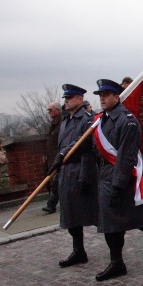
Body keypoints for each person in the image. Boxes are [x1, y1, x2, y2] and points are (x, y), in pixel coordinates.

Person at [92, 79, 143, 281]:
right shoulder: (101, 119)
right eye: (100, 95)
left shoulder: (126, 121)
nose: (102, 98)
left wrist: (118, 186)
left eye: (106, 95)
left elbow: (127, 156)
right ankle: (117, 262)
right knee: (111, 223)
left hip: (122, 177)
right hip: (105, 175)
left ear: (116, 97)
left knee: (141, 219)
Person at [45, 84, 99, 267]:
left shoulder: (87, 120)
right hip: (67, 172)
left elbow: (86, 148)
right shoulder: (66, 120)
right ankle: (78, 251)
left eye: (69, 98)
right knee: (71, 216)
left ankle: (117, 253)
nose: (66, 101)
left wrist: (85, 176)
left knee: (101, 215)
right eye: (65, 98)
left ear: (79, 99)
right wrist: (58, 175)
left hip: (81, 170)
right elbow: (62, 149)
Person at [42, 101, 62, 214]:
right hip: (52, 158)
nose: (49, 112)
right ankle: (51, 204)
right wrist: (45, 154)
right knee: (55, 182)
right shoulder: (53, 123)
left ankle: (51, 205)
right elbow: (49, 140)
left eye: (51, 110)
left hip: (59, 158)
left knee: (56, 182)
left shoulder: (62, 123)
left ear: (57, 110)